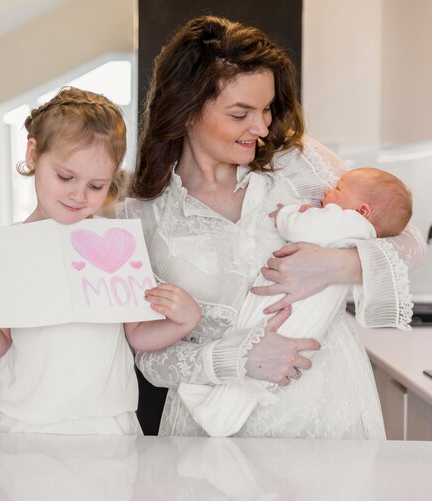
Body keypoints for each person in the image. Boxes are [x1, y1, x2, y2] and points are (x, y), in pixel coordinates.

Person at [116, 16, 426, 438]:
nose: (262, 128)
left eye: (266, 109)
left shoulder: (295, 162)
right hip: (217, 431)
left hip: (330, 414)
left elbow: (406, 239)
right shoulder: (142, 215)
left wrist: (336, 265)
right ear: (185, 109)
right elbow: (147, 353)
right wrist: (237, 359)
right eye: (241, 113)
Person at [0, 87, 201, 435]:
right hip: (27, 423)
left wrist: (183, 321)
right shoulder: (11, 248)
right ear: (34, 153)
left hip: (108, 422)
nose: (78, 195)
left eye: (97, 186)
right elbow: (0, 344)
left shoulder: (118, 246)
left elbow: (137, 334)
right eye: (66, 177)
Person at [177, 167, 413, 436]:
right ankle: (219, 409)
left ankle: (218, 414)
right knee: (254, 371)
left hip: (292, 311)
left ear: (362, 211)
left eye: (338, 189)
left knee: (249, 344)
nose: (327, 191)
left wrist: (285, 214)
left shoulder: (348, 223)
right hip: (306, 320)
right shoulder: (357, 235)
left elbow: (304, 225)